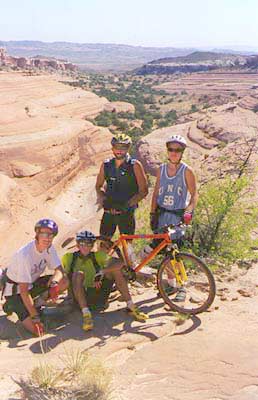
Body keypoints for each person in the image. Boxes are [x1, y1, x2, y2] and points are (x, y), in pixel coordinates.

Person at [62, 230, 148, 331]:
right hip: (79, 298)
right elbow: (64, 276)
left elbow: (120, 263)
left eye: (89, 244)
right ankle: (86, 314)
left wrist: (102, 272)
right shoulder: (69, 257)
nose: (85, 246)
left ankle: (131, 305)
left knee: (116, 271)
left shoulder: (98, 256)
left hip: (97, 294)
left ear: (92, 245)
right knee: (78, 274)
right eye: (82, 243)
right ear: (77, 245)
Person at [150, 135, 198, 301]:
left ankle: (182, 286)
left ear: (182, 152)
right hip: (162, 215)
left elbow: (194, 194)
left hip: (177, 217)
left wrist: (189, 211)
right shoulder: (161, 169)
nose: (174, 153)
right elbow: (156, 192)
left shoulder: (187, 171)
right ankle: (171, 284)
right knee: (165, 253)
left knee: (175, 252)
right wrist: (152, 213)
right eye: (171, 149)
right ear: (167, 150)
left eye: (177, 150)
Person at [2, 219, 69, 336]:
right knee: (38, 331)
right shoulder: (25, 255)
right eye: (43, 233)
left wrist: (54, 284)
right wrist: (35, 317)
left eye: (51, 235)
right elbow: (23, 292)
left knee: (64, 281)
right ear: (37, 234)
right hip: (16, 292)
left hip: (32, 284)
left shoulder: (49, 248)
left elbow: (59, 271)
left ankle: (36, 304)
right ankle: (12, 305)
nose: (47, 238)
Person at [95, 133, 148, 239]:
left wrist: (127, 205)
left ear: (128, 148)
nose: (119, 150)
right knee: (104, 243)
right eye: (116, 147)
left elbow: (144, 190)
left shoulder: (135, 165)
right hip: (109, 210)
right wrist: (104, 199)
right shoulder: (106, 165)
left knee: (127, 246)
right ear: (112, 148)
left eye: (123, 147)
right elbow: (98, 186)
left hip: (126, 212)